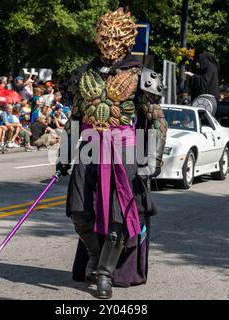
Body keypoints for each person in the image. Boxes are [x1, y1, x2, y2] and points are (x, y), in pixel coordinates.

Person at [56, 8, 167, 299]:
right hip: (90, 148)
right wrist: (65, 154)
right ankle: (94, 255)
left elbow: (155, 120)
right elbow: (75, 118)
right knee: (80, 212)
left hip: (124, 151)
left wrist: (151, 159)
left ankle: (105, 272)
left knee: (119, 219)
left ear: (128, 39)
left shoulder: (143, 75)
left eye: (116, 36)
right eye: (105, 34)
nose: (109, 41)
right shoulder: (83, 74)